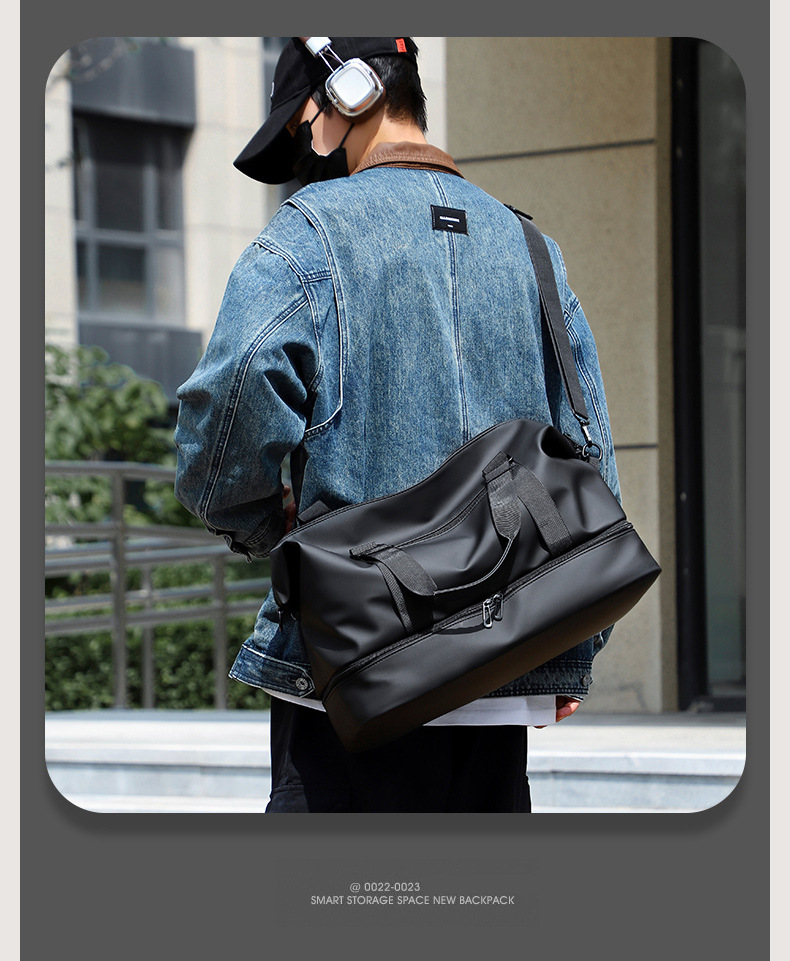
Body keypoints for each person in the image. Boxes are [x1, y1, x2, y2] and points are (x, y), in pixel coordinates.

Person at [173, 37, 621, 813]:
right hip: (497, 675)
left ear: (349, 93)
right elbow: (590, 462)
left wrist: (260, 524)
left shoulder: (307, 234)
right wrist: (571, 640)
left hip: (352, 674)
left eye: (302, 127)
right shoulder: (533, 251)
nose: (309, 155)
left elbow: (231, 401)